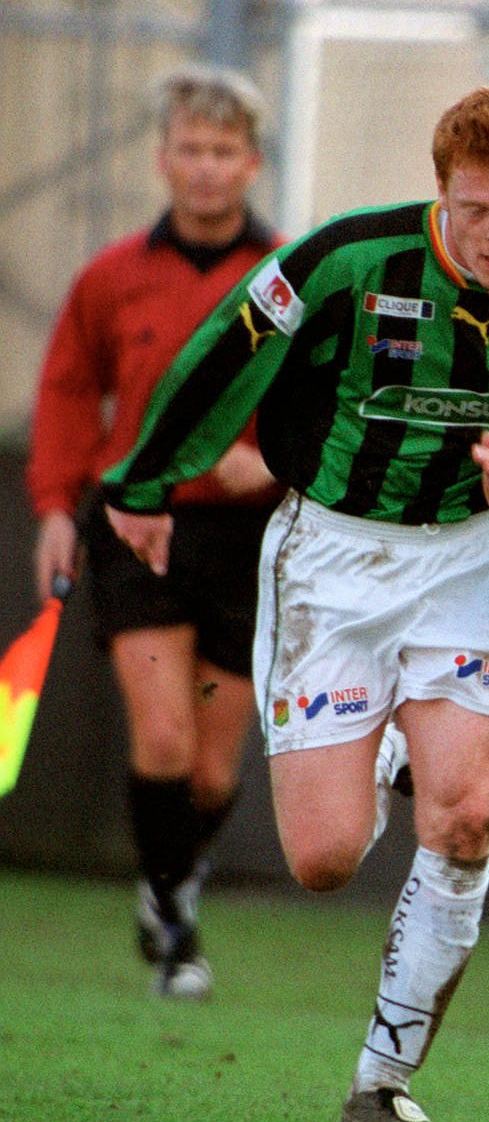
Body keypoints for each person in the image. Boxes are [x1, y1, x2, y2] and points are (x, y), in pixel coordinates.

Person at [101, 86, 489, 1122]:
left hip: (472, 566)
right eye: (477, 208)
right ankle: (393, 748)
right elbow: (223, 346)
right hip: (333, 558)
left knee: (467, 814)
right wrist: (147, 480)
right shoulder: (347, 256)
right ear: (442, 190)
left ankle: (381, 1080)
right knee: (324, 857)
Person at [26, 66, 282, 1000]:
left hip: (249, 541)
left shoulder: (291, 276)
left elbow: (332, 400)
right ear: (162, 159)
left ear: (250, 162)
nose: (206, 170)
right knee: (165, 742)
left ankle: (163, 882)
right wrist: (57, 507)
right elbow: (64, 394)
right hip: (137, 529)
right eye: (190, 150)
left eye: (224, 152)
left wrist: (278, 463)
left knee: (214, 770)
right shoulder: (112, 276)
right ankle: (176, 931)